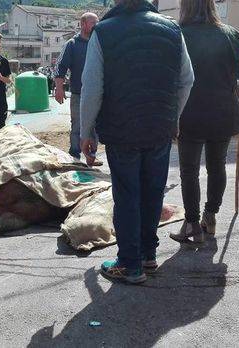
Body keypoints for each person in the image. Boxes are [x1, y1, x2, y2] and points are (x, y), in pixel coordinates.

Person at [81, 0, 194, 284]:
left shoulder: (103, 31)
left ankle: (129, 265)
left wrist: (85, 132)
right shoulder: (172, 29)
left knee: (127, 196)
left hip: (121, 132)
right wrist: (173, 118)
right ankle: (148, 255)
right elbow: (187, 80)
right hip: (159, 129)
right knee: (153, 193)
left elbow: (92, 86)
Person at [168, 0, 239, 247]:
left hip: (188, 112)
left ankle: (192, 224)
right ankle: (210, 216)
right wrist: (237, 89)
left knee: (189, 170)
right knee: (217, 167)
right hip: (223, 111)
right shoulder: (232, 35)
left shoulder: (177, 34)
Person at [54, 12, 100, 162]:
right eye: (93, 22)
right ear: (83, 24)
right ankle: (75, 156)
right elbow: (60, 67)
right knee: (77, 126)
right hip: (78, 94)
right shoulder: (72, 45)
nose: (96, 25)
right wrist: (59, 88)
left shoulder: (99, 43)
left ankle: (91, 156)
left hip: (96, 94)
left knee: (94, 126)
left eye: (97, 22)